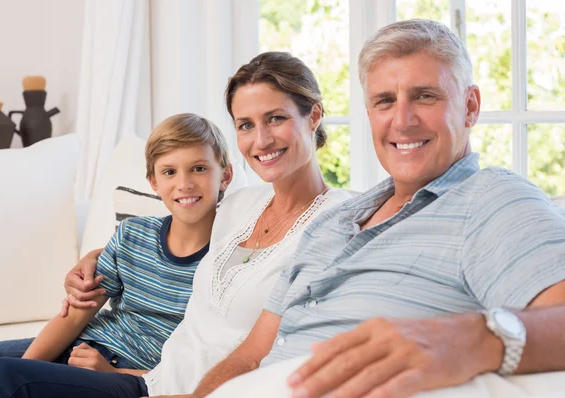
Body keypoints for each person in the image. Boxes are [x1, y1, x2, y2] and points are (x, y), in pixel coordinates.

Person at [177, 19, 565, 398]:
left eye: (425, 96)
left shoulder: (491, 197)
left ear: (470, 106)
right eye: (384, 102)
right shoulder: (329, 224)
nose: (403, 120)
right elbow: (249, 356)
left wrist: (472, 337)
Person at [0, 52, 353, 398]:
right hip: (149, 375)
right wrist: (95, 256)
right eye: (245, 124)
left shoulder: (335, 223)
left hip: (169, 384)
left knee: (5, 377)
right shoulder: (239, 207)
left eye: (276, 118)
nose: (261, 139)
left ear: (314, 115)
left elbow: (269, 349)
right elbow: (175, 238)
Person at [0, 112, 234, 391]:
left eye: (199, 169)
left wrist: (118, 373)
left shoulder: (231, 259)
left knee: (1, 377)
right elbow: (76, 315)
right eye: (169, 172)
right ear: (154, 182)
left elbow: (211, 363)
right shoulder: (132, 233)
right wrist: (28, 367)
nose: (184, 184)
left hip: (125, 371)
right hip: (81, 344)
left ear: (225, 175)